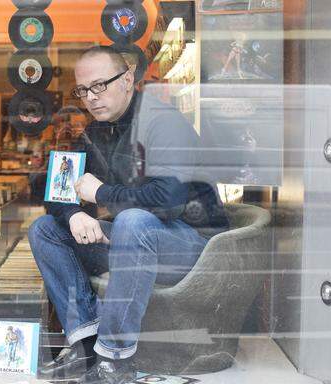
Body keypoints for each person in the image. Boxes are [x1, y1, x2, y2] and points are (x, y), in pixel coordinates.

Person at [28, 46, 229, 383]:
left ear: (127, 79)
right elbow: (58, 191)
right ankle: (85, 345)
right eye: (83, 90)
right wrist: (74, 215)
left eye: (99, 86)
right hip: (135, 240)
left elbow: (168, 202)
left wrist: (100, 194)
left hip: (194, 246)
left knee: (132, 221)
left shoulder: (164, 122)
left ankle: (115, 358)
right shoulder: (97, 130)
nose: (90, 98)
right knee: (45, 229)